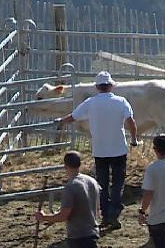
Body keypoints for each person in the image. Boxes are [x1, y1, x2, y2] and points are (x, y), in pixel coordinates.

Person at [57, 71, 139, 231]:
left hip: (100, 150)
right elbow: (131, 122)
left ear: (97, 87)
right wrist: (134, 139)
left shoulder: (90, 103)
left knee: (101, 183)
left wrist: (61, 121)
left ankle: (105, 213)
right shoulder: (121, 101)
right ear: (110, 86)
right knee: (117, 183)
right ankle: (114, 213)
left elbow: (73, 116)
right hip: (119, 149)